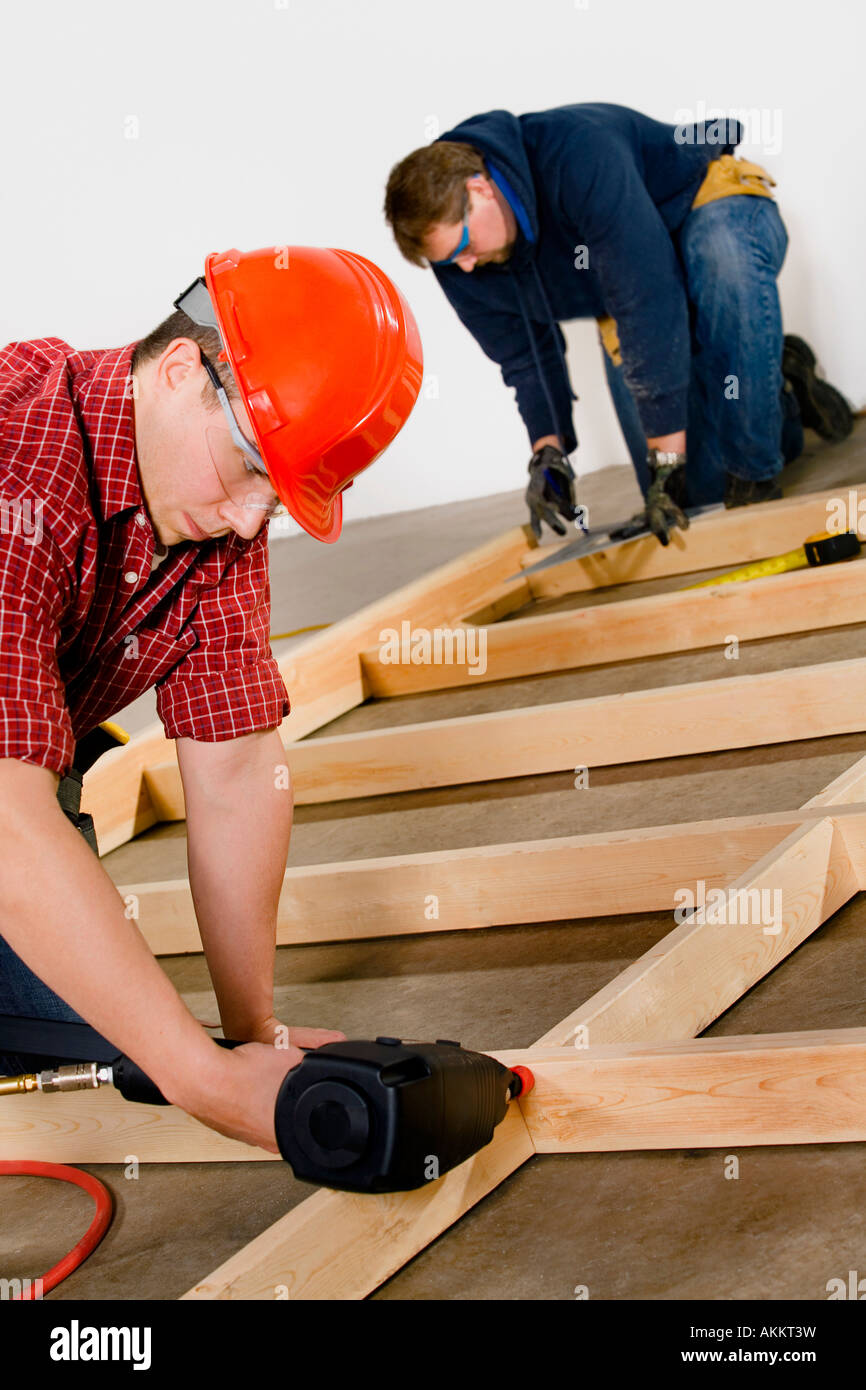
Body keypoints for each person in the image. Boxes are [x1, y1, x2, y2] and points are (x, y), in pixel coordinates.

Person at [0, 245, 422, 1151]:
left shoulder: (218, 512)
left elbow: (235, 769)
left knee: (101, 1023)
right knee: (76, 1024)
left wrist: (249, 1034)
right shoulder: (17, 470)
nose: (247, 522)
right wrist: (206, 1084)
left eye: (276, 495)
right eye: (250, 469)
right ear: (183, 371)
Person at [384, 103, 852, 546]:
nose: (464, 267)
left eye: (464, 246)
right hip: (630, 277)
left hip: (705, 209)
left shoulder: (576, 153)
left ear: (479, 189)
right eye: (447, 260)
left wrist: (665, 458)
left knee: (721, 258)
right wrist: (547, 455)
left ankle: (755, 473)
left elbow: (646, 298)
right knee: (695, 497)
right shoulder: (458, 259)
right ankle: (779, 389)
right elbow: (525, 358)